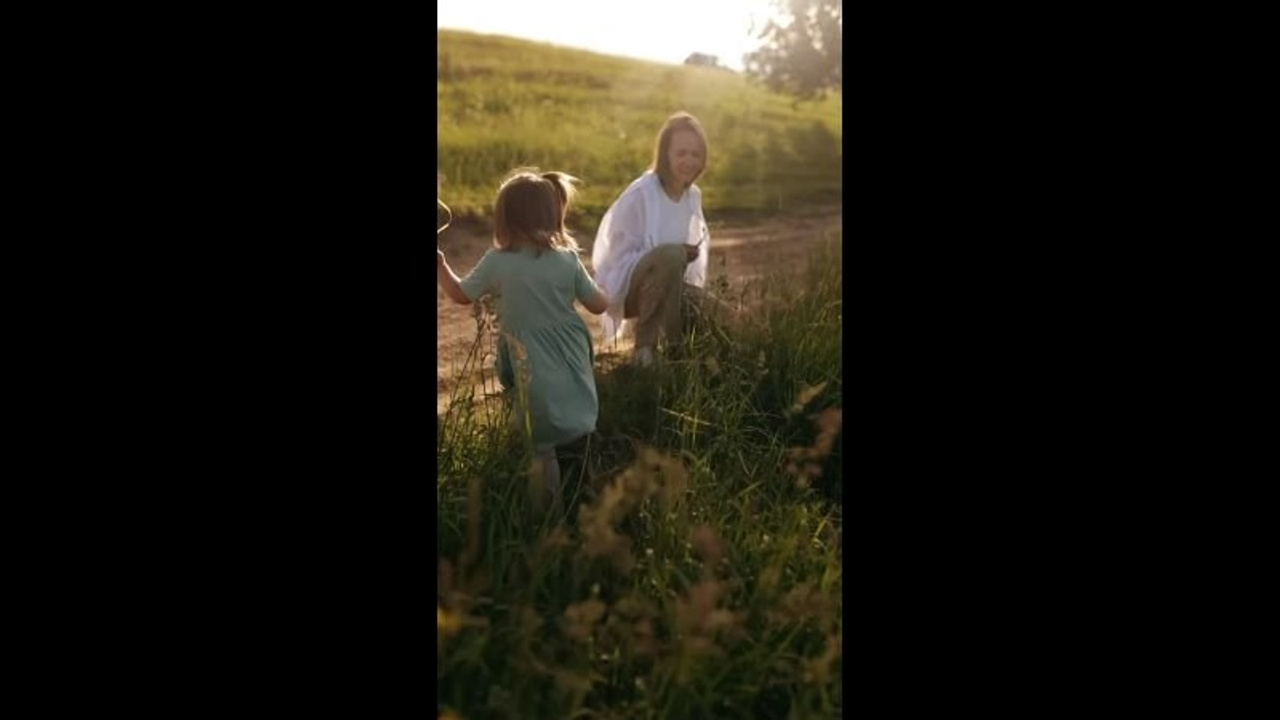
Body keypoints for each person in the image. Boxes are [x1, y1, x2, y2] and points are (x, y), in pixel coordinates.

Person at [437, 169, 610, 498]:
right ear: (553, 215)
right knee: (578, 425)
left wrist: (441, 264)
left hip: (530, 360)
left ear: (504, 220)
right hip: (571, 356)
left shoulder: (498, 262)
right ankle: (585, 505)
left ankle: (548, 520)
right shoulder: (567, 261)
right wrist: (607, 288)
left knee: (542, 442)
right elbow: (599, 305)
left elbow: (461, 295)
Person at [591, 111, 712, 366]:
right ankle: (646, 352)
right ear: (665, 155)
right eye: (681, 153)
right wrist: (671, 253)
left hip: (671, 286)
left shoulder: (693, 197)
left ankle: (690, 356)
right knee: (670, 255)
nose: (688, 161)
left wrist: (686, 255)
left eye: (695, 154)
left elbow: (690, 262)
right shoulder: (642, 194)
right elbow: (616, 258)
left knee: (727, 317)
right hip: (629, 289)